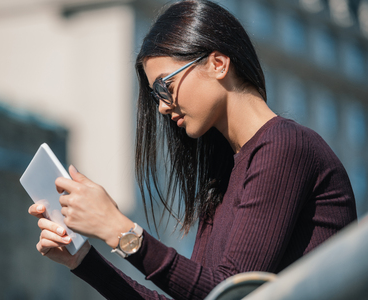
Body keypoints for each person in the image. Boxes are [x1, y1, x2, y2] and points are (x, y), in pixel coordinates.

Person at [28, 1, 357, 299]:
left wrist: (120, 230)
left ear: (217, 63)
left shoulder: (285, 147)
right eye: (156, 97)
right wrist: (83, 260)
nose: (161, 107)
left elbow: (228, 293)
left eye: (164, 87)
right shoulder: (224, 178)